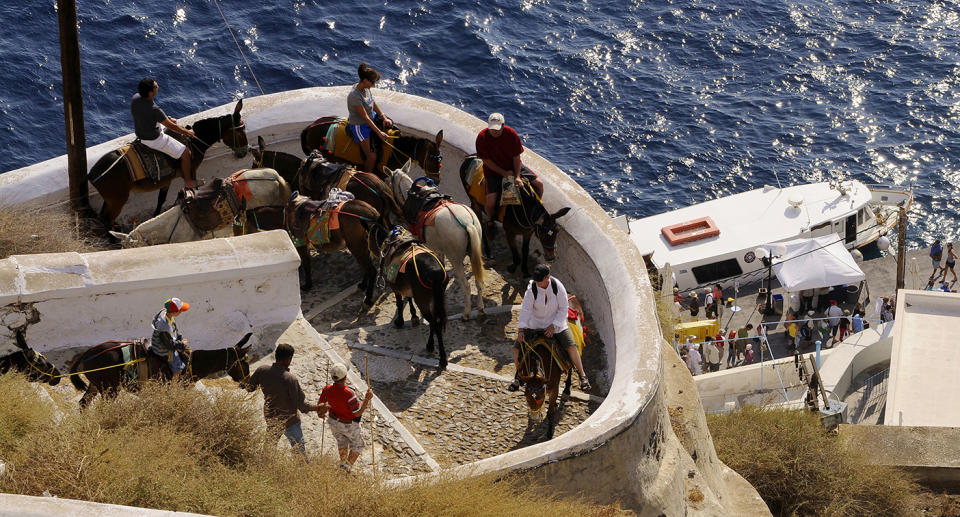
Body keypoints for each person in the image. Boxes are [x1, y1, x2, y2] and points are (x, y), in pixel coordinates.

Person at [510, 264, 590, 391]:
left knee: (571, 346)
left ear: (548, 277)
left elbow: (564, 308)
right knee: (516, 348)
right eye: (536, 281)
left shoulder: (558, 287)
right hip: (534, 325)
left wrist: (554, 326)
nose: (537, 283)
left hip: (556, 325)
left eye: (540, 281)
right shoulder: (531, 290)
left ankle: (582, 375)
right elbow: (526, 310)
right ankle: (519, 376)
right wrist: (521, 330)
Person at [246, 343, 319, 458]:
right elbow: (302, 406)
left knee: (268, 452)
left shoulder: (262, 370)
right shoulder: (290, 379)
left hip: (271, 417)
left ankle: (263, 470)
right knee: (300, 454)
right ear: (289, 359)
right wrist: (318, 407)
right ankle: (303, 472)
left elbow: (249, 388)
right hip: (290, 421)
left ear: (276, 356)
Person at [475, 112, 544, 231]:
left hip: (514, 167)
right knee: (491, 202)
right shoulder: (482, 138)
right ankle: (491, 221)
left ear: (503, 125)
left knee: (539, 184)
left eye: (497, 129)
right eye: (492, 129)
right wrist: (504, 173)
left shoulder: (511, 135)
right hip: (493, 171)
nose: (494, 132)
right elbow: (486, 161)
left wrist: (517, 176)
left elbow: (516, 158)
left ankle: (535, 209)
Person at [131, 78, 196, 188]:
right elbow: (173, 127)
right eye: (156, 86)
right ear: (151, 93)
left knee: (173, 120)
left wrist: (165, 119)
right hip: (153, 139)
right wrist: (187, 132)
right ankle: (188, 181)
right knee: (186, 153)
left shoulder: (136, 98)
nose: (158, 87)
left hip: (141, 131)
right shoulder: (155, 109)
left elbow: (148, 115)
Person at [317, 363, 374, 472]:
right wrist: (367, 399)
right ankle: (346, 469)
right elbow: (357, 413)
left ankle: (343, 464)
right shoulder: (349, 394)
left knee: (342, 442)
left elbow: (320, 405)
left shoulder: (327, 389)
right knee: (358, 446)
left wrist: (322, 413)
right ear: (345, 377)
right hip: (348, 424)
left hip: (333, 421)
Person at [347, 62, 394, 173]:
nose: (373, 84)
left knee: (390, 124)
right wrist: (379, 133)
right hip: (360, 125)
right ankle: (367, 177)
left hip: (370, 118)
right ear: (364, 80)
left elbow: (372, 102)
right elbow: (365, 118)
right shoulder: (354, 95)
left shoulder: (366, 89)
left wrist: (383, 117)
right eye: (372, 82)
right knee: (372, 157)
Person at [149, 297, 190, 381]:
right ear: (174, 312)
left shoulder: (167, 314)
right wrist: (182, 344)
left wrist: (179, 339)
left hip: (166, 342)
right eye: (180, 310)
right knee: (179, 368)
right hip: (162, 349)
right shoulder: (164, 325)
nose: (181, 312)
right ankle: (173, 387)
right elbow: (169, 345)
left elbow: (174, 331)